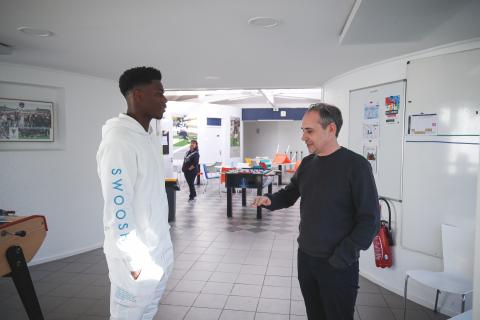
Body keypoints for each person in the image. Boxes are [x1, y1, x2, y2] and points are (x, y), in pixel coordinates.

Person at [252, 103, 380, 320]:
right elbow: (290, 193)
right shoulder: (308, 163)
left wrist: (343, 256)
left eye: (309, 131)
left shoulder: (356, 166)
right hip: (306, 259)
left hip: (338, 265)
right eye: (302, 130)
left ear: (331, 129)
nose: (303, 137)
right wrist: (269, 200)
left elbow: (370, 220)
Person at [96, 66, 173, 320]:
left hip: (157, 251)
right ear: (138, 96)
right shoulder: (119, 141)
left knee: (148, 311)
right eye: (159, 93)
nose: (165, 99)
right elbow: (118, 208)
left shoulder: (147, 136)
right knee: (127, 315)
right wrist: (134, 261)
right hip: (135, 260)